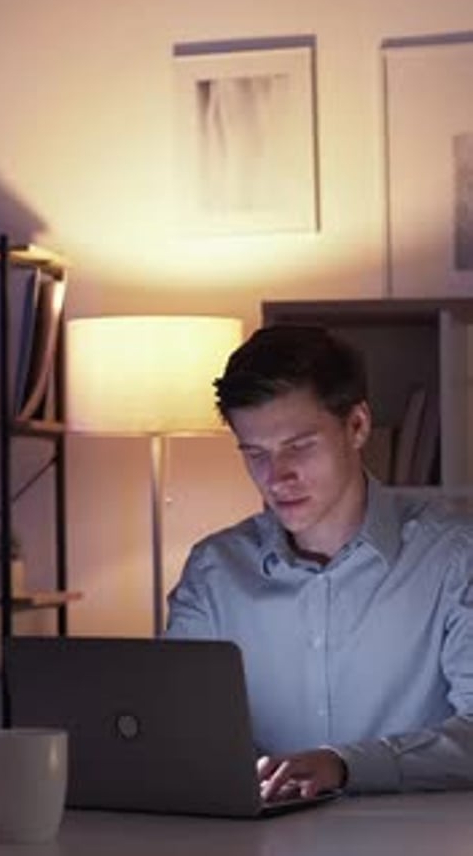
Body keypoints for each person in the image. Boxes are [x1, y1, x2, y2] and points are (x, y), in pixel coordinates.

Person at [165, 324, 473, 800]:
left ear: (358, 426)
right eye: (255, 454)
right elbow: (176, 730)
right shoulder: (214, 572)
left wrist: (345, 765)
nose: (277, 476)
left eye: (299, 446)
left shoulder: (454, 558)